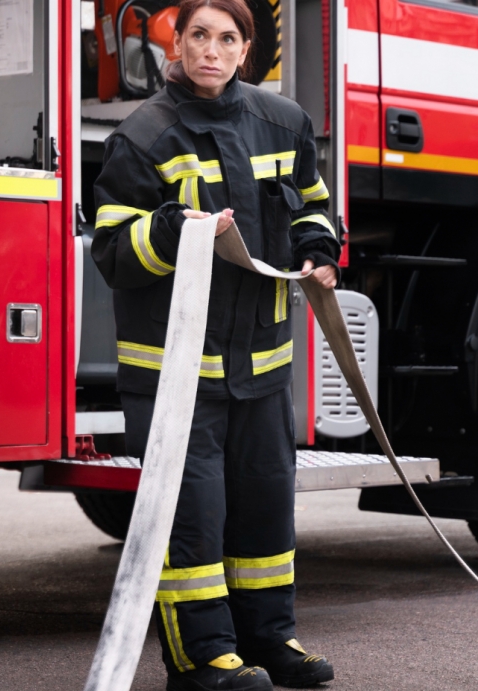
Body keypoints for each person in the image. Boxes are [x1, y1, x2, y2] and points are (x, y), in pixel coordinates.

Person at [91, 0, 341, 689]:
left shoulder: (282, 122)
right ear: (175, 44)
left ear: (246, 49)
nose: (210, 49)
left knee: (264, 509)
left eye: (226, 38)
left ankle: (271, 641)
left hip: (261, 366)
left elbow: (313, 201)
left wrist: (320, 246)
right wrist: (171, 231)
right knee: (194, 522)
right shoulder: (144, 137)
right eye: (197, 35)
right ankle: (200, 660)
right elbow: (112, 253)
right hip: (174, 376)